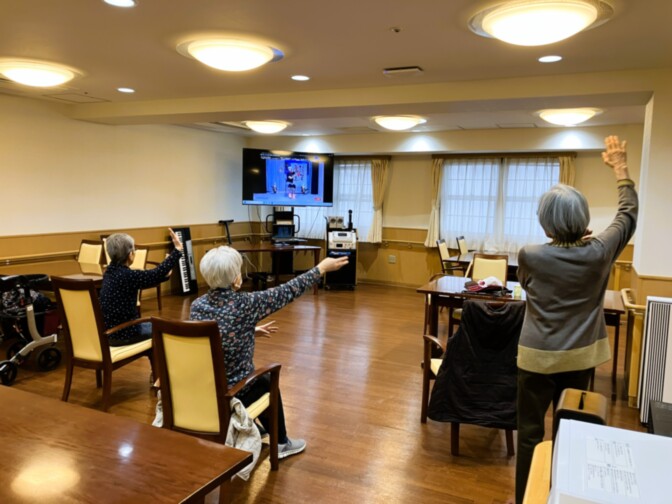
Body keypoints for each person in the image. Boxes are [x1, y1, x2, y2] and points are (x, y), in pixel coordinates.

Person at [514, 135, 638, 504]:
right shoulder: (600, 251)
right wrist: (620, 167)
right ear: (583, 220)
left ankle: (526, 498)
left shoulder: (530, 255)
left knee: (530, 434)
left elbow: (526, 285)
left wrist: (566, 242)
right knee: (570, 430)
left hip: (536, 357)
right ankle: (562, 494)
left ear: (545, 224)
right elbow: (627, 215)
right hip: (580, 357)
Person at [190, 246, 348, 459]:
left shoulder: (197, 306)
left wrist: (249, 331)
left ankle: (255, 425)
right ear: (236, 278)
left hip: (204, 390)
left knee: (256, 379)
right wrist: (321, 268)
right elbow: (287, 291)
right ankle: (281, 443)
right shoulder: (245, 304)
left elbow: (209, 336)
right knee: (265, 380)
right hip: (231, 393)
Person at [100, 229, 183, 346]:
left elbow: (153, 277)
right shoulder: (128, 276)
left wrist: (164, 275)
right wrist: (178, 249)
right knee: (165, 328)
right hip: (124, 333)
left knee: (156, 324)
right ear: (130, 254)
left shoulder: (108, 272)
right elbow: (155, 274)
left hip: (109, 331)